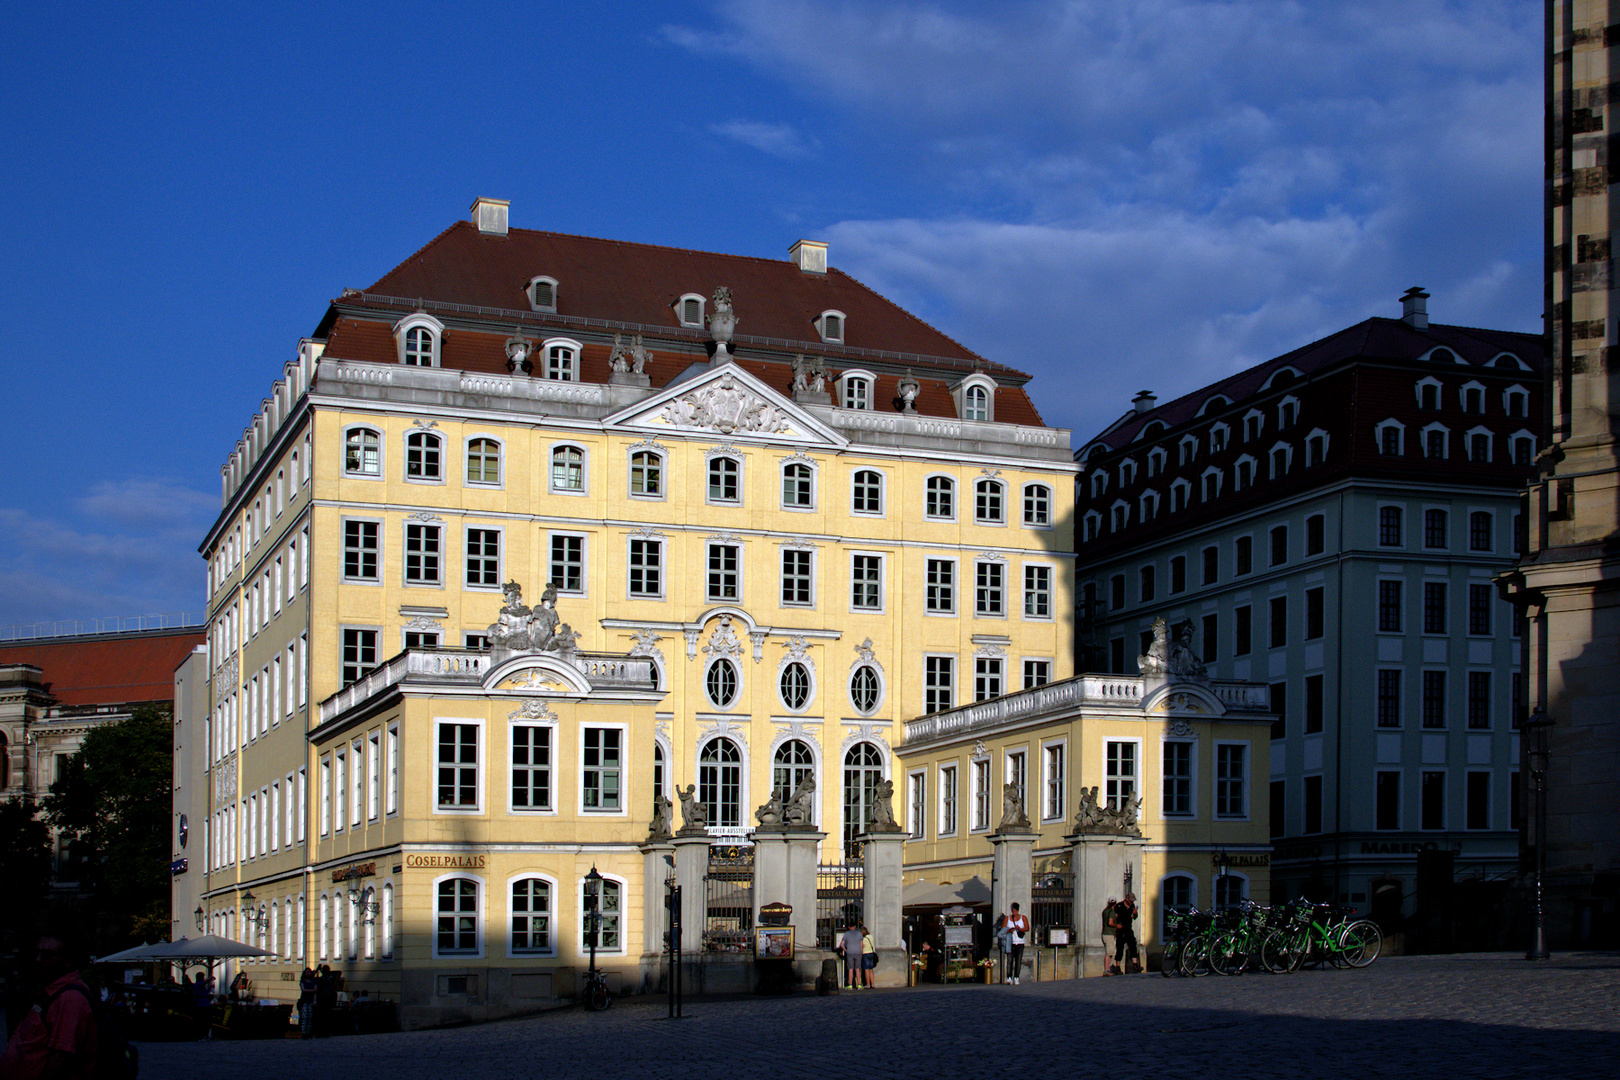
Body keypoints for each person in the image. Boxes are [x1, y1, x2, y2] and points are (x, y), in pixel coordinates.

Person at [0, 932, 98, 1080]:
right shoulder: (52, 993)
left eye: (47, 955)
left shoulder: (70, 998)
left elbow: (61, 1057)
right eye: (37, 953)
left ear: (68, 960)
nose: (38, 960)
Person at [1112, 892, 1140, 974]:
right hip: (1120, 929)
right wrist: (1116, 926)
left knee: (1133, 945)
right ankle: (1117, 966)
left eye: (1133, 901)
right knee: (1120, 948)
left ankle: (1135, 965)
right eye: (1131, 900)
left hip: (1128, 929)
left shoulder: (1132, 906)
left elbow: (1134, 917)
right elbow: (1114, 917)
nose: (1132, 902)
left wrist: (1135, 913)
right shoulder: (1119, 906)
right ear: (1126, 899)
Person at [1003, 903, 1030, 984]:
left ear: (1018, 911)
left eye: (1015, 911)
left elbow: (1027, 928)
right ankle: (1009, 977)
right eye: (1012, 911)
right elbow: (1003, 929)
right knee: (1009, 960)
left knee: (1018, 960)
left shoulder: (1023, 917)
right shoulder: (1007, 918)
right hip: (1010, 942)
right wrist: (1009, 930)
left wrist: (1020, 929)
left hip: (1020, 942)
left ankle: (1016, 977)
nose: (1014, 913)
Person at [839, 921, 864, 989]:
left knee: (850, 969)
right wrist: (861, 952)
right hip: (858, 952)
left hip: (850, 952)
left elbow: (842, 944)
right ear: (855, 926)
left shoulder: (846, 934)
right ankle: (859, 984)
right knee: (858, 969)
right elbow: (861, 944)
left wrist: (845, 950)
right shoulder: (859, 933)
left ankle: (850, 985)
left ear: (849, 927)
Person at [297, 966, 317, 1038]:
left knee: (310, 1017)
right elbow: (303, 990)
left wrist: (315, 1000)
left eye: (309, 972)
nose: (308, 974)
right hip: (304, 1000)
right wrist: (312, 991)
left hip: (311, 1000)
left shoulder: (313, 981)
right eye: (306, 972)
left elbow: (315, 992)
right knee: (304, 1017)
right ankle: (304, 1032)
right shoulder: (303, 981)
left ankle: (308, 1032)